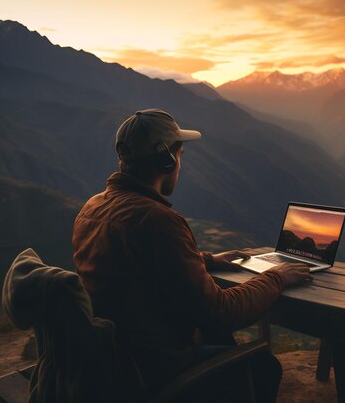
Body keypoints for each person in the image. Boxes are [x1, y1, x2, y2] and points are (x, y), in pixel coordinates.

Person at [72, 109, 311, 402]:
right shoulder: (157, 220)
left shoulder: (92, 209)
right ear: (167, 159)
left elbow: (135, 264)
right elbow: (221, 313)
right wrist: (276, 277)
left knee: (219, 340)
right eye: (180, 154)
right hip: (155, 371)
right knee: (263, 365)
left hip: (117, 360)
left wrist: (206, 260)